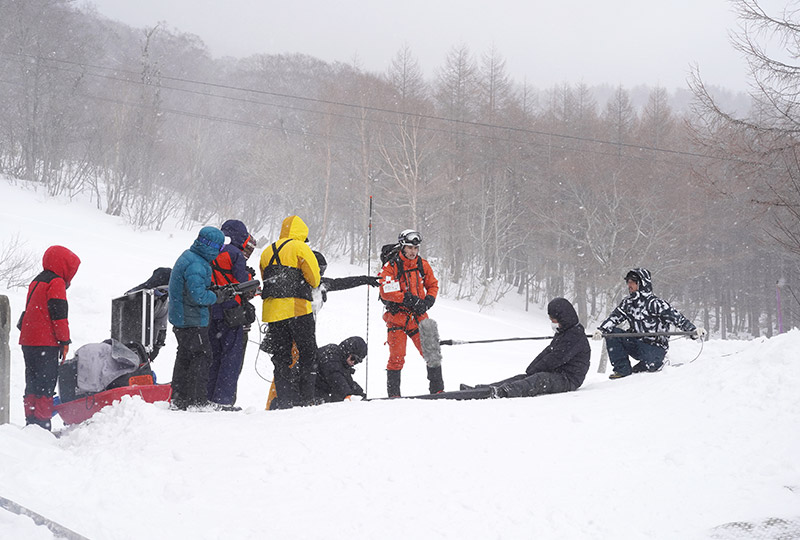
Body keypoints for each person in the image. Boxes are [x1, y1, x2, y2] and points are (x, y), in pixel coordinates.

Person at [462, 298, 591, 398]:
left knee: (539, 379)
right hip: (557, 372)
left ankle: (502, 392)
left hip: (569, 379)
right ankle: (481, 389)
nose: (552, 323)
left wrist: (534, 371)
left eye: (554, 320)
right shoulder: (564, 332)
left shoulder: (574, 336)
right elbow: (548, 352)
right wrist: (531, 369)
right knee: (522, 377)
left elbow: (556, 358)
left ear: (563, 318)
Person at [593, 267, 706, 379]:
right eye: (628, 282)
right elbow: (614, 318)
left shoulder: (657, 304)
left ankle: (652, 364)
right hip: (636, 343)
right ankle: (622, 370)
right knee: (612, 334)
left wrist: (693, 331)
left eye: (632, 282)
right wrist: (601, 330)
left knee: (651, 366)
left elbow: (678, 319)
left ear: (642, 283)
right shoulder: (628, 303)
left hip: (655, 347)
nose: (629, 285)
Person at [169, 226, 233, 410]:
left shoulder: (190, 257)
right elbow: (197, 296)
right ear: (212, 246)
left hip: (183, 318)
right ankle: (197, 401)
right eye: (220, 248)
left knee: (185, 356)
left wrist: (212, 290)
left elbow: (193, 289)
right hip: (192, 320)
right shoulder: (197, 264)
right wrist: (217, 297)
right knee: (202, 356)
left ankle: (179, 398)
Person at [260, 215, 320, 408]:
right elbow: (314, 278)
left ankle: (285, 399)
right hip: (297, 309)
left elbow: (264, 275)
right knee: (308, 353)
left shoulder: (267, 251)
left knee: (281, 357)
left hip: (272, 312)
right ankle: (306, 398)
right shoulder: (300, 247)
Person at [18, 245, 81, 430]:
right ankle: (42, 424)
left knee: (31, 382)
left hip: (28, 341)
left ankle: (31, 421)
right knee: (45, 385)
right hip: (45, 342)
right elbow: (59, 313)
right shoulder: (56, 282)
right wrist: (64, 340)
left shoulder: (36, 281)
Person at [378, 229, 440, 397]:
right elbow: (385, 291)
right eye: (410, 248)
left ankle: (438, 391)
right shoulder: (391, 266)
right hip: (397, 318)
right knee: (397, 358)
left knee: (432, 353)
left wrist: (429, 300)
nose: (413, 252)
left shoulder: (422, 265)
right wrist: (408, 299)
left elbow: (433, 285)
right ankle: (394, 395)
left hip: (419, 316)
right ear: (402, 247)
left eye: (416, 248)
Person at [207, 219, 255, 410]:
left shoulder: (212, 251)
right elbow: (242, 281)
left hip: (212, 310)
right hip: (231, 312)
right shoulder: (235, 254)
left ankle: (208, 396)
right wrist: (251, 278)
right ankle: (223, 401)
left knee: (214, 357)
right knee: (231, 358)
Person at [125, 267, 171, 361]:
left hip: (145, 343)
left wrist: (157, 346)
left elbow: (161, 325)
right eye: (162, 290)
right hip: (129, 341)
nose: (164, 294)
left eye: (168, 291)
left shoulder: (162, 301)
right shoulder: (136, 296)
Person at [315, 336, 368, 403]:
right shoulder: (331, 354)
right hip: (308, 389)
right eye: (353, 358)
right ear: (348, 352)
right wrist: (347, 395)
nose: (353, 362)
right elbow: (335, 377)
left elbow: (349, 382)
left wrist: (361, 395)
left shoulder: (343, 363)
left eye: (357, 361)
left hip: (320, 389)